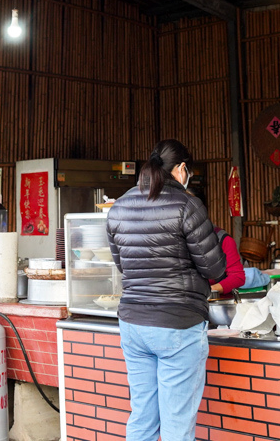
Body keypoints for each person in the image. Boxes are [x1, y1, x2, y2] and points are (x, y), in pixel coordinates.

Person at [107, 139, 226, 441]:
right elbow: (214, 269)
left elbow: (123, 265)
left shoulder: (119, 206)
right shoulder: (187, 204)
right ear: (183, 169)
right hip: (177, 323)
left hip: (132, 323)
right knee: (176, 426)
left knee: (142, 418)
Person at [209, 224, 245, 296]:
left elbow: (237, 277)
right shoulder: (181, 241)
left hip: (216, 301)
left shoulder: (222, 239)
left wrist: (209, 290)